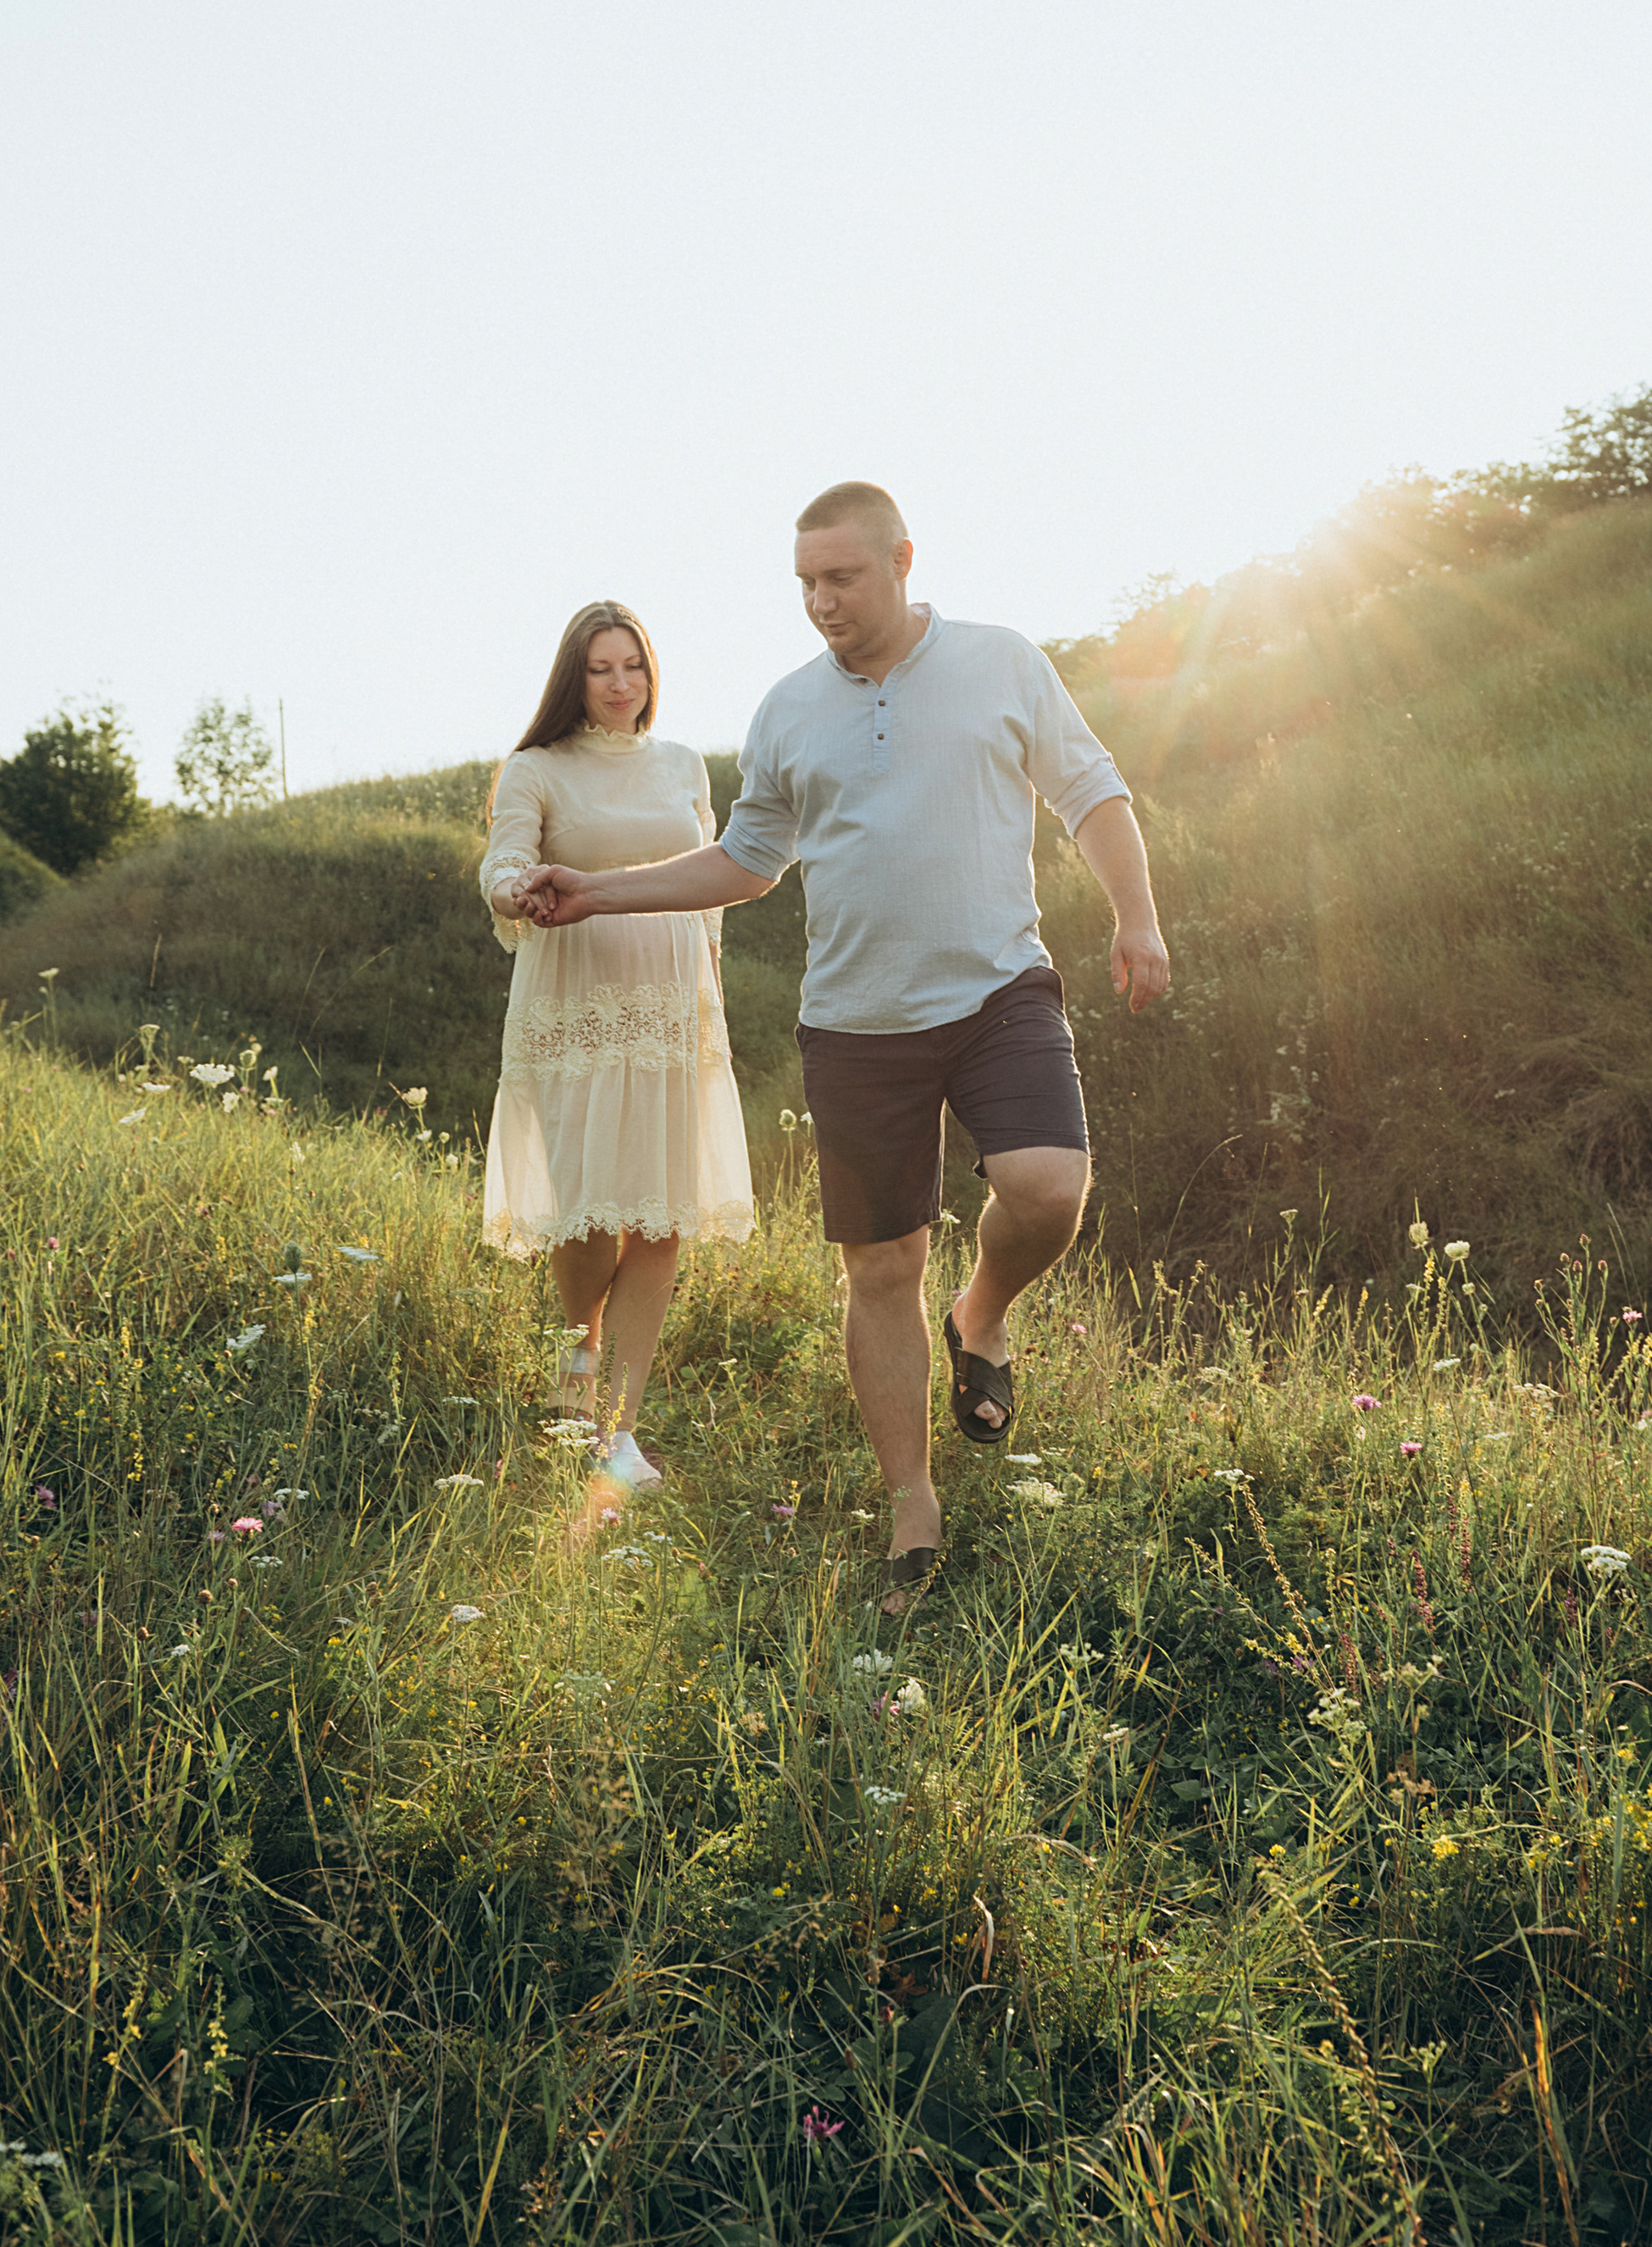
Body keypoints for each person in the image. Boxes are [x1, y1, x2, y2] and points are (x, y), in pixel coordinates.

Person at [507, 487, 1168, 1601]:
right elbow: (747, 860)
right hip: (856, 1024)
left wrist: (1137, 914)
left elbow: (1090, 790)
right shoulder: (787, 711)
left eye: (843, 578)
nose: (822, 602)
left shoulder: (1002, 661)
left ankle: (985, 1312)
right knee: (882, 1263)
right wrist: (600, 893)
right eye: (806, 583)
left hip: (1001, 987)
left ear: (902, 559)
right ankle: (913, 1501)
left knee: (1049, 1190)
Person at [480, 599, 755, 1489]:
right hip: (579, 1005)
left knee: (661, 1214)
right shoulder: (536, 768)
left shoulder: (682, 764)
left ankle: (618, 1436)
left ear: (651, 672)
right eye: (601, 668)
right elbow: (503, 859)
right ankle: (575, 1370)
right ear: (575, 677)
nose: (620, 683)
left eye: (632, 665)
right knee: (591, 1213)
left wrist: (712, 992)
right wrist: (516, 888)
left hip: (675, 1005)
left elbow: (709, 882)